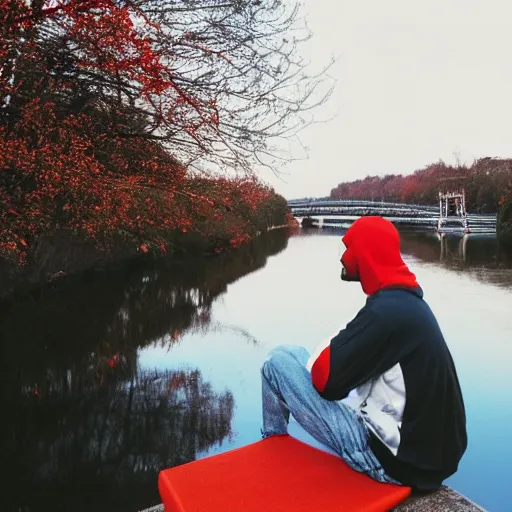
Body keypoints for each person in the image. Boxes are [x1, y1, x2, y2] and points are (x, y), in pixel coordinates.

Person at [261, 216, 467, 491]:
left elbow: (327, 383)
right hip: (424, 457)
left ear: (365, 253)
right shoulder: (408, 304)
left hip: (392, 463)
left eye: (347, 248)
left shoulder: (385, 315)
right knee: (292, 352)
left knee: (275, 364)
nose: (342, 257)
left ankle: (270, 447)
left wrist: (337, 339)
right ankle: (275, 443)